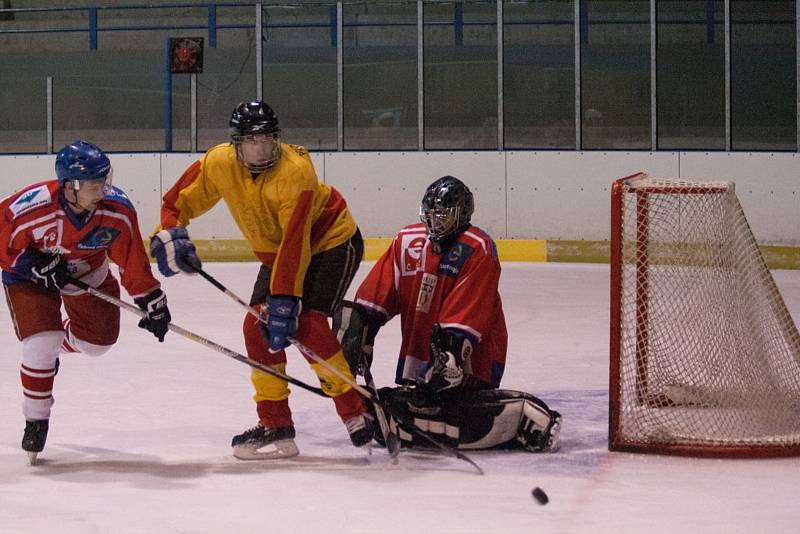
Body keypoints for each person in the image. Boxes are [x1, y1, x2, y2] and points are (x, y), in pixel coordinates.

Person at [150, 100, 370, 460]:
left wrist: (285, 299)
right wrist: (173, 234)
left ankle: (353, 410)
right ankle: (275, 423)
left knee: (306, 322)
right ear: (237, 144)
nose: (261, 147)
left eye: (268, 139)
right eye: (253, 141)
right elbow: (176, 202)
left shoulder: (295, 172)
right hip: (278, 251)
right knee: (257, 326)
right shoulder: (218, 163)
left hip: (331, 241)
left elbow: (296, 240)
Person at [336, 175, 561, 452]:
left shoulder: (477, 247)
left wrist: (450, 356)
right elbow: (374, 298)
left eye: (443, 215)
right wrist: (359, 335)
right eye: (430, 215)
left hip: (473, 353)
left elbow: (468, 311)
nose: (435, 222)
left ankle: (523, 417)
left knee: (448, 403)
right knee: (410, 405)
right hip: (420, 350)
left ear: (462, 214)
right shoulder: (407, 241)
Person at [0, 140, 172, 463]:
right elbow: (3, 241)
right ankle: (36, 420)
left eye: (104, 180)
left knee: (98, 343)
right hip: (30, 277)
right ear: (70, 187)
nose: (103, 189)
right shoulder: (32, 207)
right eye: (95, 185)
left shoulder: (117, 212)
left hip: (85, 270)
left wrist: (152, 299)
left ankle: (58, 345)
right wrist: (31, 262)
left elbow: (132, 261)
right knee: (40, 343)